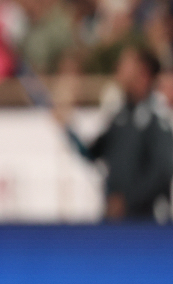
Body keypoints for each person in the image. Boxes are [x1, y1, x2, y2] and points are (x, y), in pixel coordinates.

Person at [72, 47, 173, 221]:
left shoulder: (157, 117)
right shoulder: (120, 116)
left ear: (143, 72)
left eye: (126, 64)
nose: (118, 68)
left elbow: (163, 171)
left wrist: (127, 201)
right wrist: (68, 129)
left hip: (148, 224)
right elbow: (92, 153)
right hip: (117, 221)